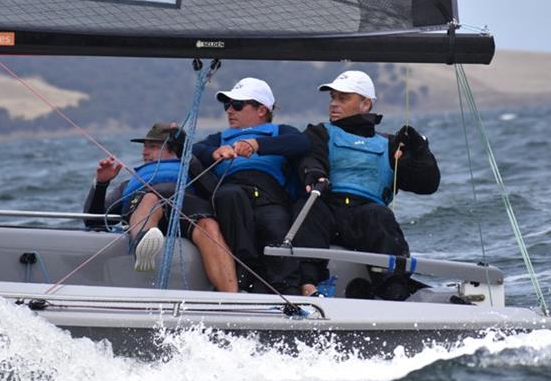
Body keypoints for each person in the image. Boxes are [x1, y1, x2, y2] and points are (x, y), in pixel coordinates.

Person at [293, 70, 440, 299]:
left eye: (343, 98)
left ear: (365, 104)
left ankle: (394, 293)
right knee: (309, 206)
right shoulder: (319, 133)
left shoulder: (391, 144)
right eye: (333, 97)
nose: (334, 104)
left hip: (366, 216)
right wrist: (315, 173)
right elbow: (311, 158)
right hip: (327, 206)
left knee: (379, 216)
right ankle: (308, 287)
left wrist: (419, 151)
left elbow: (427, 185)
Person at [83, 122, 237, 292]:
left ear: (174, 150)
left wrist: (188, 153)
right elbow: (92, 221)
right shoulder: (131, 182)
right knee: (150, 198)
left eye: (154, 146)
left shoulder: (194, 171)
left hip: (184, 207)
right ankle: (143, 246)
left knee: (209, 225)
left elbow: (215, 192)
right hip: (147, 207)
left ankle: (231, 296)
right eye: (144, 146)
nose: (144, 151)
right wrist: (101, 183)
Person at [192, 77, 310, 295]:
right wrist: (214, 153)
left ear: (262, 110)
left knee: (274, 224)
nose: (229, 111)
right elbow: (195, 149)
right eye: (227, 105)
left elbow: (301, 143)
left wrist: (257, 145)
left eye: (237, 105)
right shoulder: (218, 138)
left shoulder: (280, 131)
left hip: (268, 194)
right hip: (232, 190)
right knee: (229, 195)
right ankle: (246, 273)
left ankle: (288, 290)